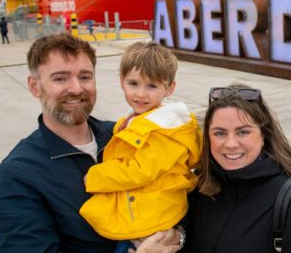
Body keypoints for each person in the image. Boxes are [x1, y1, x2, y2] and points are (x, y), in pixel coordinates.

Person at [0, 34, 179, 252]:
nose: (77, 89)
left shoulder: (125, 136)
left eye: (85, 77)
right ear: (34, 86)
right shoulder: (16, 176)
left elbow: (178, 191)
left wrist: (176, 235)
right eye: (60, 78)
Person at [79, 41, 201, 252]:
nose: (141, 94)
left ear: (169, 88)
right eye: (133, 84)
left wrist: (96, 176)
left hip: (152, 217)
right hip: (146, 207)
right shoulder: (138, 120)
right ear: (122, 81)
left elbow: (141, 170)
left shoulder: (165, 129)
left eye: (151, 86)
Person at [183, 85, 291, 252]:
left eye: (243, 132)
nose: (231, 144)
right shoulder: (197, 188)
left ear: (263, 135)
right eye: (220, 133)